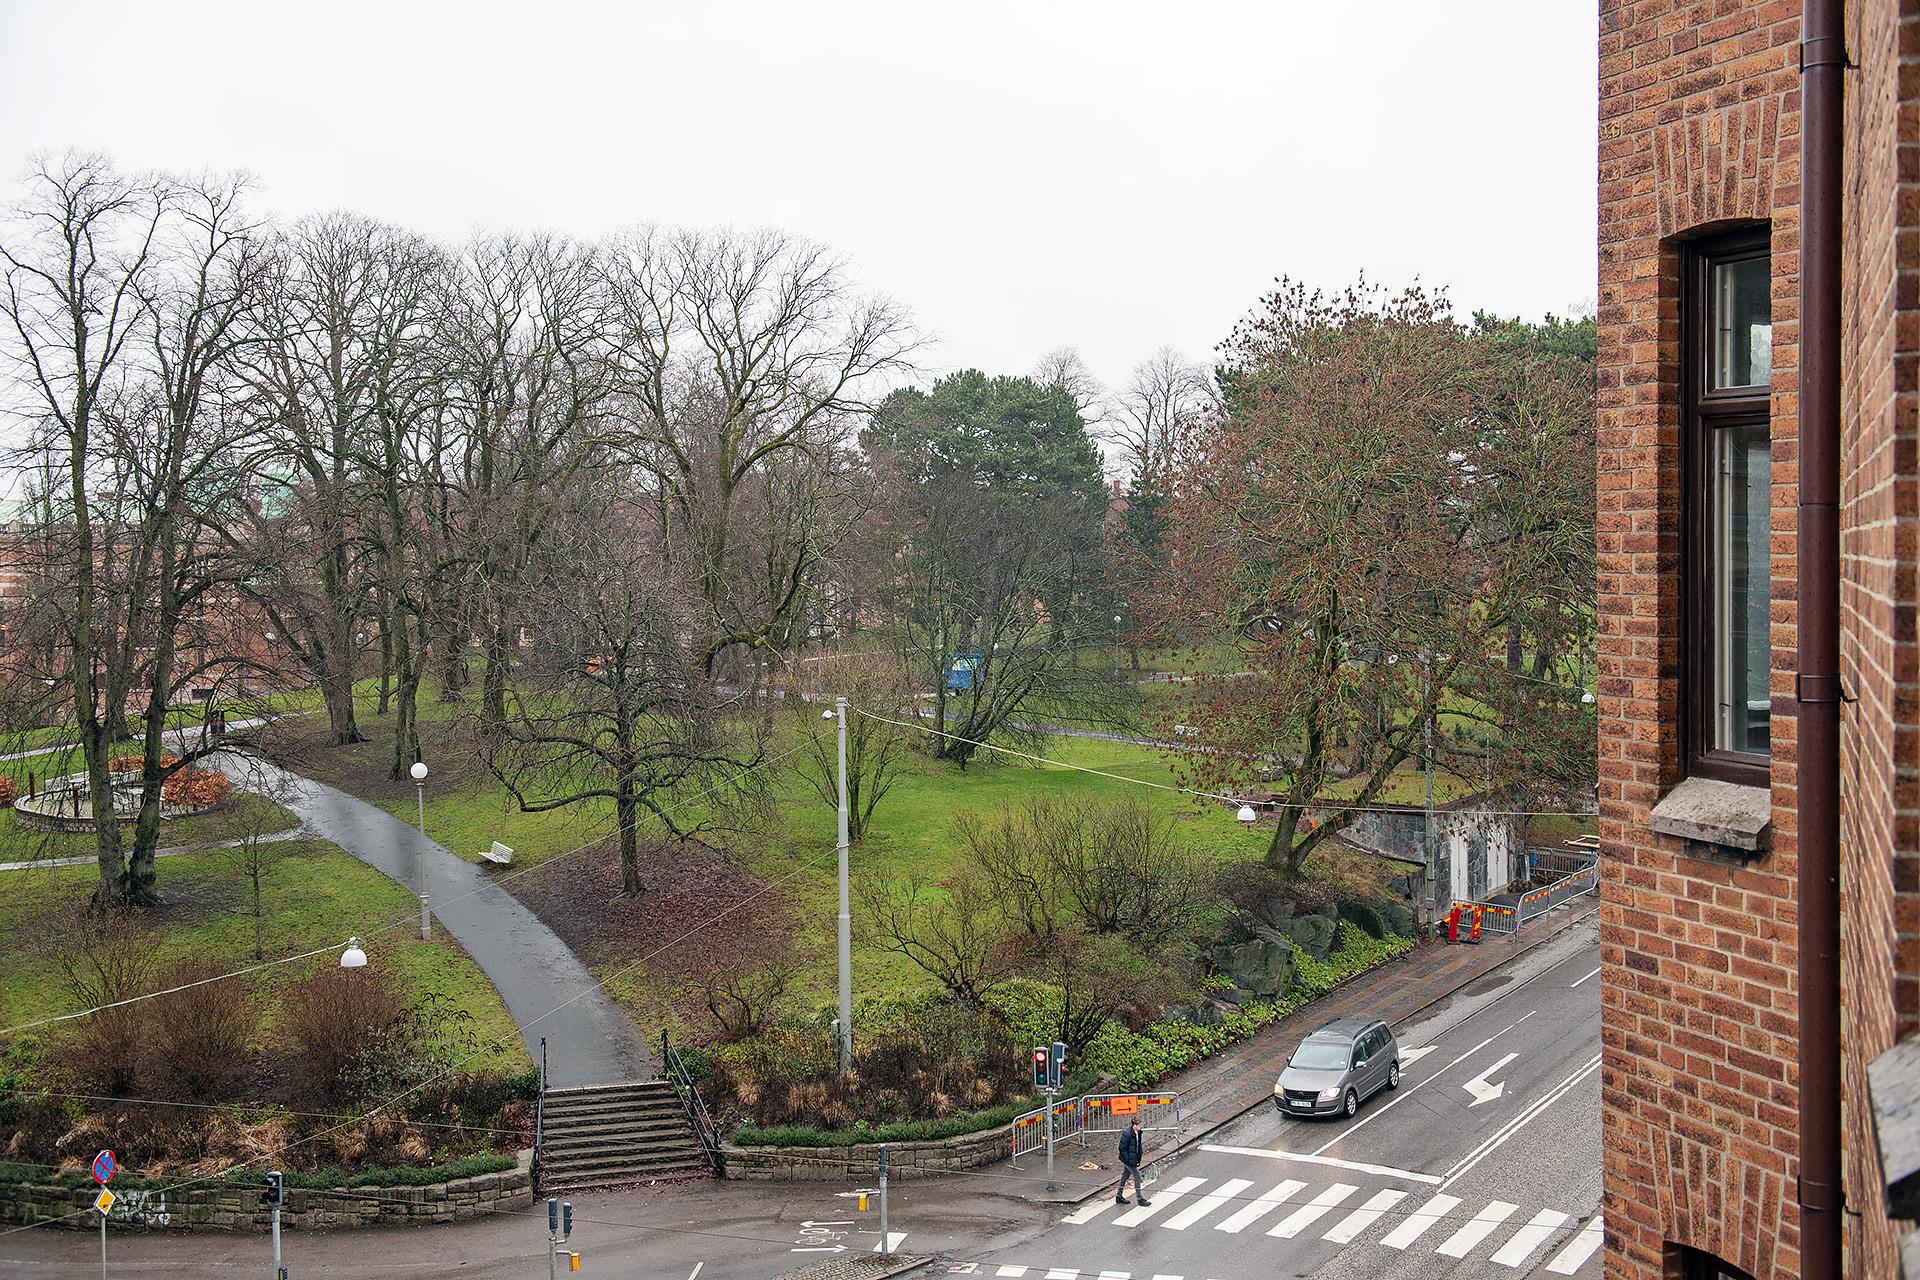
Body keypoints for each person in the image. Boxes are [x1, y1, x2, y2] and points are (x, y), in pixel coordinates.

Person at [1115, 1117, 1149, 1205]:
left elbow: (1137, 1146)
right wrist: (1128, 1160)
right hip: (1129, 1160)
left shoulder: (1138, 1133)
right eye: (1140, 1125)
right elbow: (1122, 1148)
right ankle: (1140, 1199)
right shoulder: (1127, 1134)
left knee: (1125, 1176)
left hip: (1132, 1158)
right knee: (1137, 1176)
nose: (1141, 1127)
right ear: (1134, 1125)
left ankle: (1119, 1196)